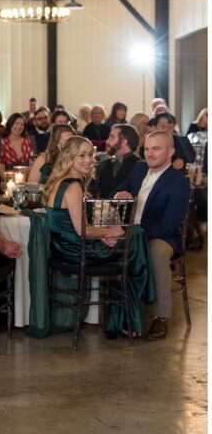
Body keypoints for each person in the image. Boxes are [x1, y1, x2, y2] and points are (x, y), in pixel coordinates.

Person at [43, 136, 152, 337]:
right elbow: (82, 230)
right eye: (82, 155)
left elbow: (76, 226)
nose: (89, 159)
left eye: (90, 154)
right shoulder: (73, 186)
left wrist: (102, 236)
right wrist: (109, 232)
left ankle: (125, 319)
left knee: (131, 245)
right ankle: (130, 316)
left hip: (65, 247)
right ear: (69, 157)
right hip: (77, 251)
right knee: (135, 238)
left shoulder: (61, 181)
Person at [116, 131, 191, 341]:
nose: (149, 154)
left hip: (162, 237)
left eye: (156, 149)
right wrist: (119, 195)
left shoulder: (178, 182)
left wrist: (136, 235)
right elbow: (120, 189)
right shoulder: (139, 169)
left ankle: (161, 317)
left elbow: (168, 226)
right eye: (147, 149)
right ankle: (119, 313)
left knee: (156, 252)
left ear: (171, 152)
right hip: (130, 232)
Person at [93, 124, 140, 198]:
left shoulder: (139, 166)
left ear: (123, 142)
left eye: (112, 137)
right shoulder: (104, 164)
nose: (107, 141)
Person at [0, 112, 35, 180]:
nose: (19, 127)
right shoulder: (1, 144)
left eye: (22, 124)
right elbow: (2, 173)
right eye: (16, 123)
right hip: (10, 182)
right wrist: (24, 171)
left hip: (29, 180)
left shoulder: (29, 141)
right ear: (10, 124)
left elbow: (34, 165)